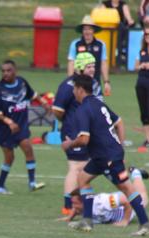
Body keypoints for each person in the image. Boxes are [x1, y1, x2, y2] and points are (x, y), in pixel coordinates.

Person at [62, 74, 149, 236]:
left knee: (127, 188)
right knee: (83, 179)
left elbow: (84, 139)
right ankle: (87, 221)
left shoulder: (83, 109)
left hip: (107, 157)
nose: (73, 93)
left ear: (80, 89)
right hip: (102, 156)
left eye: (74, 89)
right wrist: (120, 145)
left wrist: (69, 144)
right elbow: (118, 121)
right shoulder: (99, 103)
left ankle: (145, 224)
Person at [53, 52, 102, 216]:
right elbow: (57, 110)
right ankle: (68, 206)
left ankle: (80, 203)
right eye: (89, 66)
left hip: (89, 132)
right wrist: (70, 122)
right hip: (73, 133)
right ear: (80, 68)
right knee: (75, 168)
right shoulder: (68, 85)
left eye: (94, 66)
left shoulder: (94, 83)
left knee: (84, 167)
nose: (93, 69)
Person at [0, 60, 48, 194]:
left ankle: (32, 183)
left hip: (20, 126)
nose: (5, 73)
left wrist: (43, 101)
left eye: (8, 70)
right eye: (3, 71)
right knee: (10, 158)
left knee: (28, 149)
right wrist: (9, 122)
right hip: (4, 129)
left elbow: (32, 94)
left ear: (15, 71)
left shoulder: (21, 82)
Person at [63, 167, 149, 226]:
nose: (73, 207)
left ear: (83, 201)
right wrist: (69, 218)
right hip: (117, 203)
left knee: (142, 196)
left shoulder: (102, 202)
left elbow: (126, 201)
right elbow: (76, 209)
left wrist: (125, 221)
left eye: (75, 204)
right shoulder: (82, 206)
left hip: (129, 209)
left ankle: (136, 173)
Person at [67, 16, 111, 96]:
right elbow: (71, 63)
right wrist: (70, 81)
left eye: (89, 29)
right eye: (85, 29)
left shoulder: (101, 44)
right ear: (82, 31)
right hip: (79, 84)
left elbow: (103, 63)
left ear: (93, 30)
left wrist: (106, 82)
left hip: (95, 83)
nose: (87, 32)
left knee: (96, 105)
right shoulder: (75, 44)